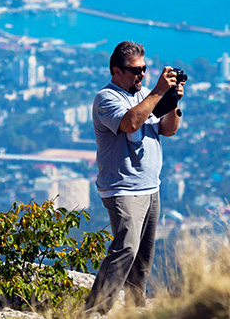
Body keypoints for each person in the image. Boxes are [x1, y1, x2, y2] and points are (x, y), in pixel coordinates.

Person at [85, 41, 184, 314]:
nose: (141, 75)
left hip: (151, 187)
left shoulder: (144, 97)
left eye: (144, 70)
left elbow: (167, 130)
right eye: (135, 71)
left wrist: (172, 102)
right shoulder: (106, 99)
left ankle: (133, 308)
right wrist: (158, 92)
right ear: (116, 71)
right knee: (125, 248)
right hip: (122, 188)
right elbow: (129, 123)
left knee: (143, 256)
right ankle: (95, 311)